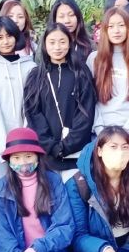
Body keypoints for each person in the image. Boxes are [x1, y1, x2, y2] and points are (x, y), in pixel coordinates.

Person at [24, 24, 97, 181]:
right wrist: (51, 146)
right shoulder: (36, 76)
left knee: (76, 201)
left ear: (70, 43)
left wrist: (66, 146)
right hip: (46, 157)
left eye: (62, 42)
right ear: (44, 45)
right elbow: (33, 114)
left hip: (76, 158)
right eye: (52, 42)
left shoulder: (81, 73)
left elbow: (86, 114)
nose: (57, 47)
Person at [87, 7, 129, 162]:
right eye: (111, 26)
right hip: (101, 134)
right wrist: (100, 130)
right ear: (104, 30)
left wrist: (127, 131)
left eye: (121, 25)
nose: (116, 30)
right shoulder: (93, 59)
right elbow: (90, 100)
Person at [0, 17, 38, 183]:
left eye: (9, 36)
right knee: (3, 193)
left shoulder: (30, 67)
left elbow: (32, 106)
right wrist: (4, 148)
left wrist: (23, 139)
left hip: (26, 144)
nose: (5, 41)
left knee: (28, 192)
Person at [49, 0, 93, 66]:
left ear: (78, 17)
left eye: (71, 15)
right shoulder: (47, 42)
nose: (67, 21)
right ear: (55, 19)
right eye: (61, 16)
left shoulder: (89, 44)